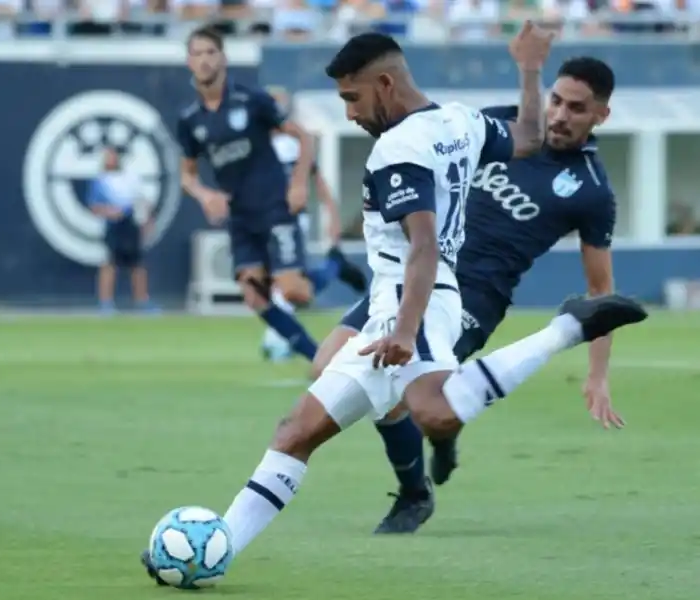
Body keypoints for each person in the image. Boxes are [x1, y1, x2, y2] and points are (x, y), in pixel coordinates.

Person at [141, 28, 646, 581]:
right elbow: (527, 136)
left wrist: (405, 331)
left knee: (434, 411)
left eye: (352, 98)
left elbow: (423, 246)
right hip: (394, 300)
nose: (350, 114)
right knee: (295, 432)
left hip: (421, 299)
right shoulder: (460, 120)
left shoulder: (397, 148)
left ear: (384, 85)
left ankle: (564, 329)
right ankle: (216, 551)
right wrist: (529, 72)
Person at [313, 56, 622, 535]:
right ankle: (442, 428)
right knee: (325, 364)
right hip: (411, 273)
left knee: (394, 387)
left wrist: (597, 376)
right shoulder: (502, 124)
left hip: (472, 300)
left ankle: (415, 492)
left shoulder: (591, 191)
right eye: (556, 100)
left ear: (600, 115)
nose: (560, 115)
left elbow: (601, 291)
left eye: (576, 108)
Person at [175, 26, 363, 367]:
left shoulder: (251, 101)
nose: (204, 60)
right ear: (189, 62)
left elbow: (304, 137)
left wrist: (296, 185)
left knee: (294, 291)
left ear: (223, 58)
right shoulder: (190, 121)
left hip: (274, 207)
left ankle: (334, 266)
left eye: (210, 52)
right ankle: (319, 360)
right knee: (253, 294)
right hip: (240, 217)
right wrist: (204, 195)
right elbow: (186, 174)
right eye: (197, 54)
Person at [261, 86, 366, 362]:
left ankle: (278, 342)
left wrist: (332, 217)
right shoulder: (259, 143)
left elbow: (318, 183)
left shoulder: (290, 145)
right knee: (283, 284)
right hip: (264, 219)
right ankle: (334, 267)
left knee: (283, 284)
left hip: (289, 219)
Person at [88, 147, 159, 315]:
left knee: (137, 264)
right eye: (107, 157)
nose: (110, 160)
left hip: (131, 225)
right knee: (110, 264)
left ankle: (141, 300)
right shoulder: (100, 180)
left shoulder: (131, 178)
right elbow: (94, 206)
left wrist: (147, 221)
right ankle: (106, 303)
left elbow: (142, 201)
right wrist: (110, 212)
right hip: (113, 227)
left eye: (112, 156)